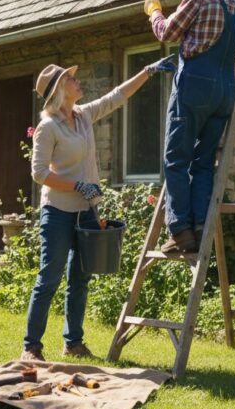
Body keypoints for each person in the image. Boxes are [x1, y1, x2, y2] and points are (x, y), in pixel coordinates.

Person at [22, 59, 173, 362]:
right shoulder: (47, 127)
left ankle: (73, 342)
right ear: (59, 91)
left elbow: (116, 97)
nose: (78, 82)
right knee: (49, 278)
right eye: (71, 79)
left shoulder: (83, 116)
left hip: (87, 211)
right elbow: (39, 173)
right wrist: (77, 186)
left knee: (81, 277)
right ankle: (31, 347)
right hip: (59, 211)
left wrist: (148, 71)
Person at [143, 0, 235, 254]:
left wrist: (154, 11)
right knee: (203, 162)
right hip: (225, 90)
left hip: (194, 87)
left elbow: (167, 32)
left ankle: (180, 231)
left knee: (176, 160)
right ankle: (201, 227)